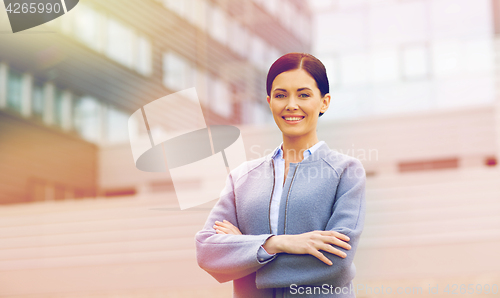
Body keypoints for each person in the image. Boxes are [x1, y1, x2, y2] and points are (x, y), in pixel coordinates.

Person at [195, 53, 366, 298]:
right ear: (269, 101)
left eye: (304, 94)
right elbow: (207, 251)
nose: (291, 104)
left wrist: (245, 251)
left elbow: (336, 261)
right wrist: (275, 243)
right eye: (281, 95)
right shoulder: (242, 177)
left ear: (324, 102)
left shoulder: (346, 171)